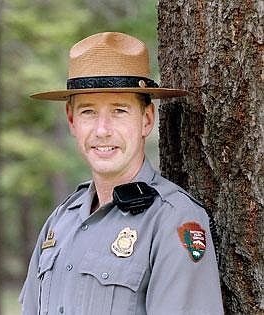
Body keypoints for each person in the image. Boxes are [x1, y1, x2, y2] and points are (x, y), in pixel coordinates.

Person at [19, 32, 224, 315]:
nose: (102, 130)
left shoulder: (172, 221)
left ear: (146, 119)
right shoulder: (60, 222)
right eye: (88, 112)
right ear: (71, 120)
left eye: (119, 111)